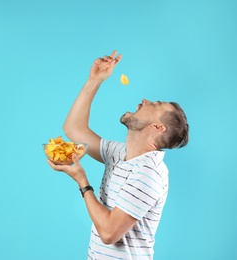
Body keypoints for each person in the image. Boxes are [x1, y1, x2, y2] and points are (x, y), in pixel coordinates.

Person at [47, 50, 189, 260]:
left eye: (155, 105)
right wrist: (94, 81)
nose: (144, 100)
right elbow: (73, 129)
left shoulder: (149, 174)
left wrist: (82, 180)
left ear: (158, 127)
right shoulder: (120, 153)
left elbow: (109, 233)